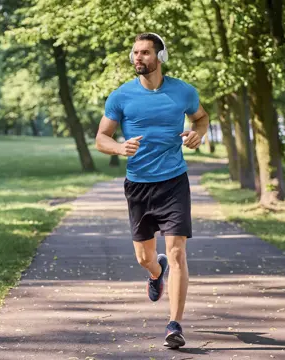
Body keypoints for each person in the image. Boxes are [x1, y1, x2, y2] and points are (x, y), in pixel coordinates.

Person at [95, 32, 209, 349]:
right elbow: (101, 137)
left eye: (145, 52)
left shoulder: (183, 91)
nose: (138, 58)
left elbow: (201, 117)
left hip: (174, 181)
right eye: (135, 53)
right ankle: (155, 272)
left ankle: (174, 325)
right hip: (138, 185)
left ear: (160, 56)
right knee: (145, 258)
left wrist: (198, 133)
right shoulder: (121, 96)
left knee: (177, 253)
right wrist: (119, 148)